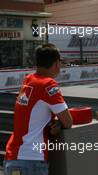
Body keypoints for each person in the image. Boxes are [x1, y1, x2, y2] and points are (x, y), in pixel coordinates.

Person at [4, 43, 73, 175]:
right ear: (57, 63)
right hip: (31, 161)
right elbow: (68, 122)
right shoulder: (48, 84)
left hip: (13, 158)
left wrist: (56, 121)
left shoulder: (29, 80)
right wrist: (60, 121)